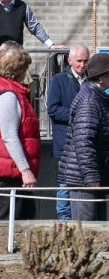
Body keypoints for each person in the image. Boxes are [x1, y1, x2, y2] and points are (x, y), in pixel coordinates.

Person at [0, 43, 41, 221]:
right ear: (20, 70)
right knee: (10, 220)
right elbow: (9, 136)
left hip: (8, 167)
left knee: (24, 216)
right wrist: (25, 169)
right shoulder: (7, 95)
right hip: (10, 171)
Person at [58, 53, 109, 221]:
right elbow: (83, 142)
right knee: (85, 230)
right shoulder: (89, 100)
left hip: (92, 175)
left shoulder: (96, 97)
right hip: (83, 179)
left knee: (96, 229)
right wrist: (91, 176)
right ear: (102, 77)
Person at [0, 0, 62, 77]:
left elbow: (34, 26)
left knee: (14, 85)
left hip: (15, 56)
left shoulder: (22, 7)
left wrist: (50, 45)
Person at [48, 43, 90, 220]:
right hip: (65, 141)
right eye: (79, 61)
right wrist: (77, 114)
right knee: (65, 183)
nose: (82, 65)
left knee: (86, 183)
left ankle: (84, 218)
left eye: (86, 61)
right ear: (70, 60)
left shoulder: (90, 79)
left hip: (86, 142)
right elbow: (53, 109)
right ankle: (63, 220)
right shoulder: (59, 79)